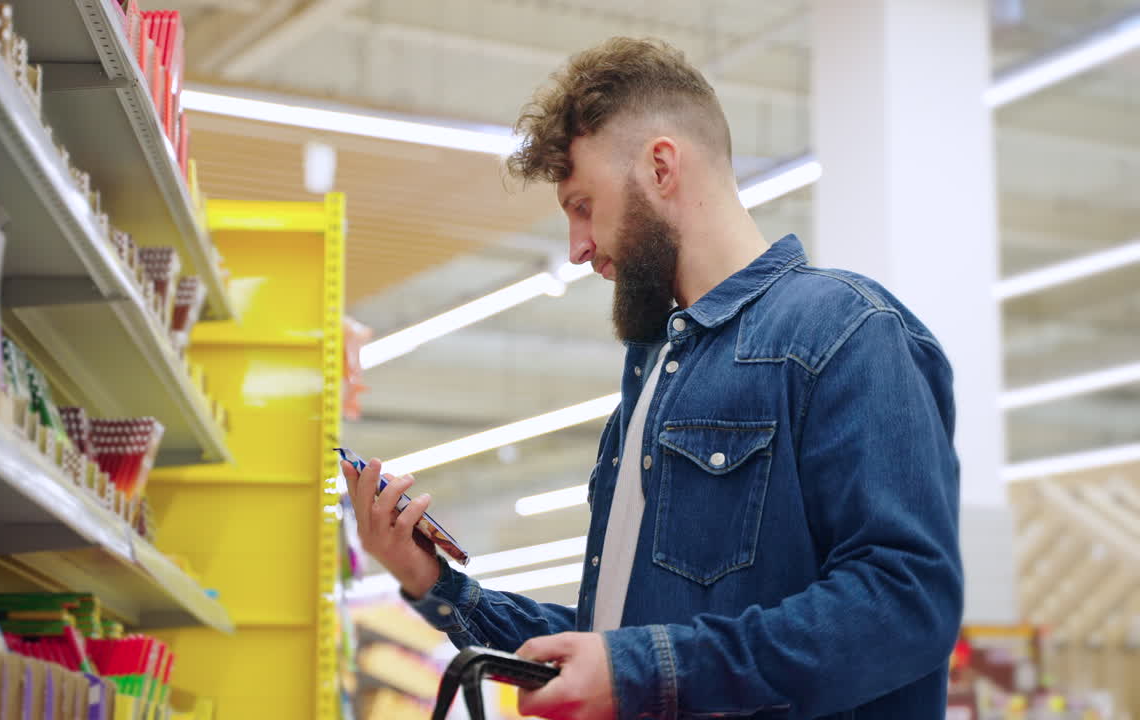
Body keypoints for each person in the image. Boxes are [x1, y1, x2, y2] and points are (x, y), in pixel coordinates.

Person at [341, 37, 962, 720]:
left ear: (661, 167)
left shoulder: (846, 331)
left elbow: (906, 602)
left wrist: (646, 670)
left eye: (583, 205)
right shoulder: (653, 385)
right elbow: (612, 643)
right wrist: (431, 579)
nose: (577, 247)